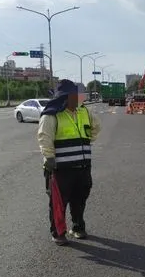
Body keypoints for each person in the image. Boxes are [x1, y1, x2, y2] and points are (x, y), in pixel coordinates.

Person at [37, 79, 101, 245]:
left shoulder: (83, 111)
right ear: (63, 97)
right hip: (60, 168)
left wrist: (85, 142)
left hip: (83, 166)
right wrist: (49, 158)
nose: (75, 99)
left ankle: (78, 227)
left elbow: (96, 127)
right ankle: (58, 233)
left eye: (76, 96)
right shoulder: (52, 114)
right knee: (59, 203)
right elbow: (44, 137)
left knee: (80, 199)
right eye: (71, 96)